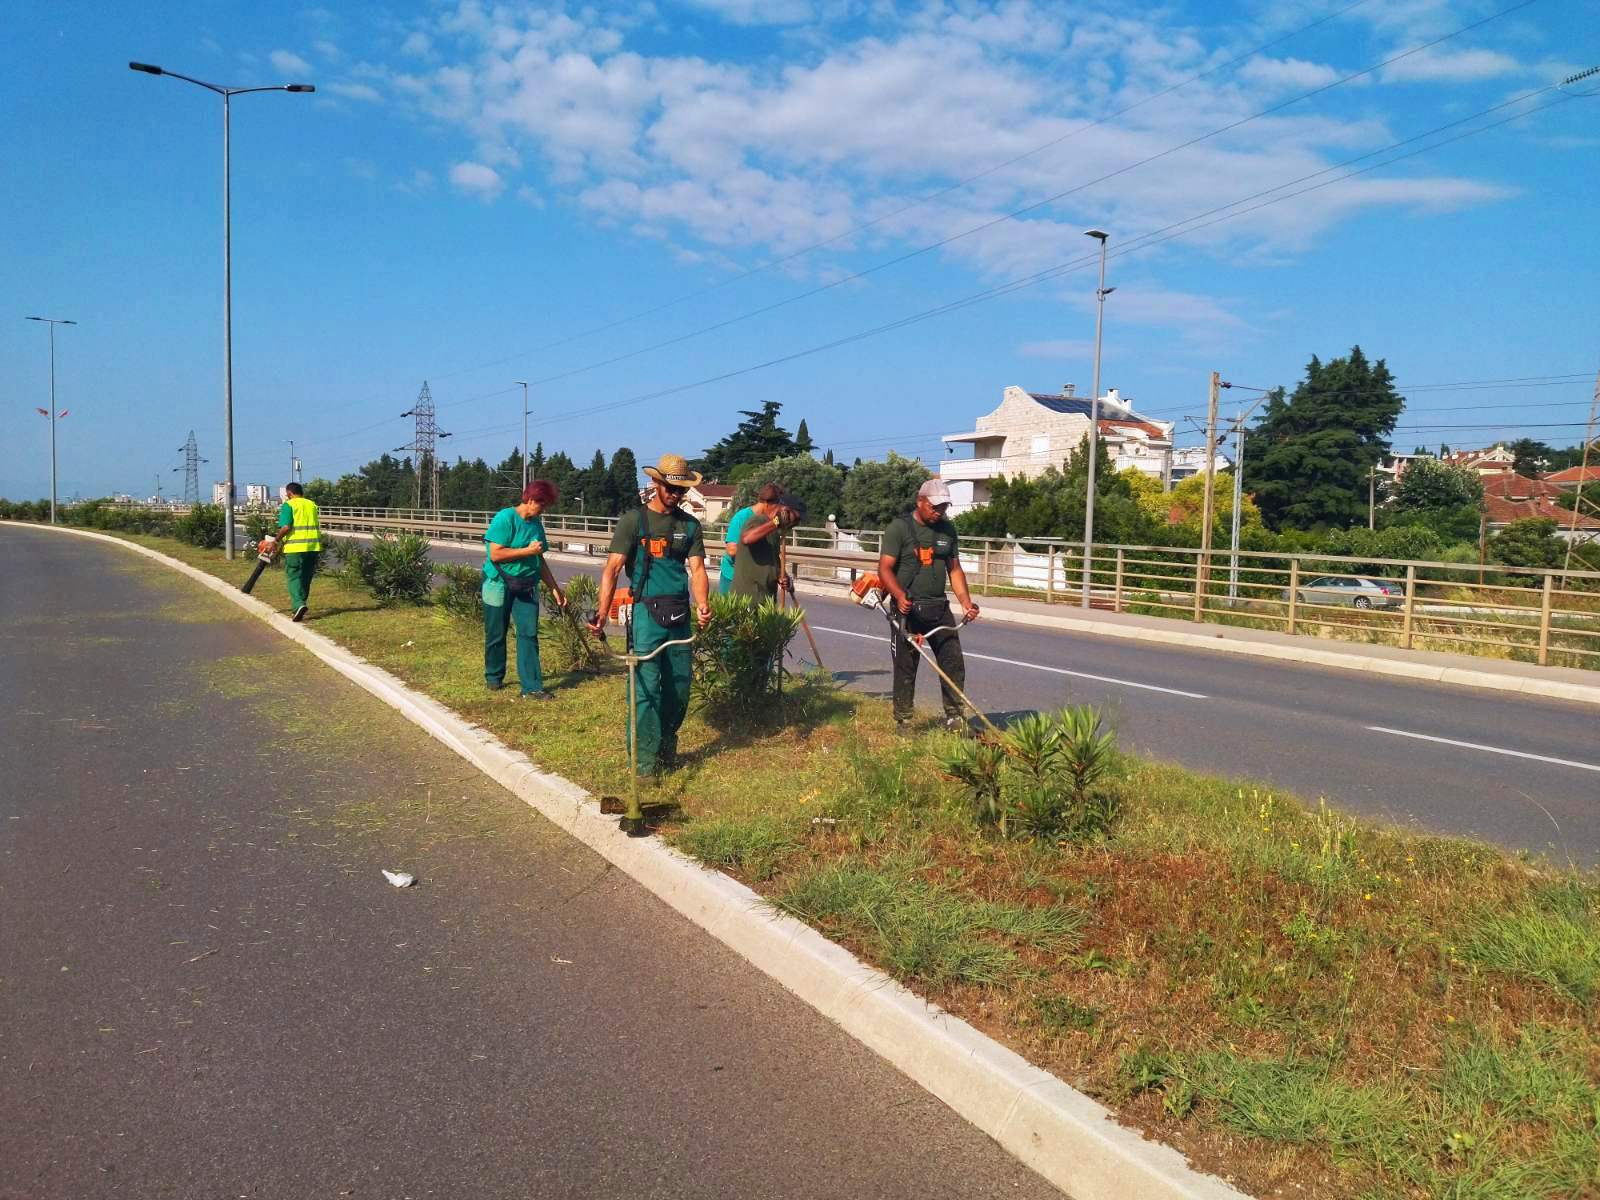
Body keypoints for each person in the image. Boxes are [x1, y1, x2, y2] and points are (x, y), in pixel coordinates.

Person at [590, 453, 712, 774]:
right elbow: (612, 569)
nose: (675, 495)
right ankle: (644, 765)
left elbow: (698, 570)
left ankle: (665, 753)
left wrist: (702, 604)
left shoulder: (690, 526)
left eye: (680, 491)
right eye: (670, 489)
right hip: (645, 613)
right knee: (645, 690)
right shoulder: (635, 521)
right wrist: (602, 613)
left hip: (679, 615)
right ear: (656, 484)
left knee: (679, 688)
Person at [877, 478, 980, 733]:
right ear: (920, 501)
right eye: (935, 507)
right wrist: (899, 596)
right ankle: (904, 720)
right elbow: (885, 568)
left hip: (939, 608)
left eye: (943, 507)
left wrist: (966, 603)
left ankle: (954, 718)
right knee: (906, 665)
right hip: (907, 609)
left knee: (953, 661)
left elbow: (954, 570)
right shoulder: (899, 529)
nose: (939, 512)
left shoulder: (947, 530)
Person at [483, 481, 566, 699]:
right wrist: (526, 550)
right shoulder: (505, 518)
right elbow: (496, 554)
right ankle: (494, 676)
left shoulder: (536, 524)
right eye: (543, 505)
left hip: (527, 584)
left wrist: (554, 588)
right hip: (498, 582)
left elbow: (540, 559)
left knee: (528, 633)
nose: (544, 510)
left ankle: (531, 687)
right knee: (496, 632)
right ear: (531, 500)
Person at [728, 484, 802, 602]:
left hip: (765, 597)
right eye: (781, 507)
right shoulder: (758, 520)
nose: (783, 512)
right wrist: (776, 522)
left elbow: (772, 559)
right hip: (749, 598)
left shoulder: (771, 529)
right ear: (769, 504)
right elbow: (746, 538)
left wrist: (782, 576)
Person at [265, 481, 322, 622]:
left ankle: (298, 605)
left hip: (295, 548)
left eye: (286, 495)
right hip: (313, 547)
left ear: (289, 493)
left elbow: (285, 527)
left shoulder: (288, 505)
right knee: (306, 577)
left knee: (294, 576)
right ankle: (300, 604)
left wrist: (276, 541)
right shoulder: (312, 505)